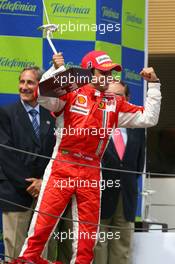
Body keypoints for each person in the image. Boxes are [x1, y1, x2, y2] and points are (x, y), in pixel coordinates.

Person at [13, 50, 161, 264]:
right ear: (89, 72)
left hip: (92, 169)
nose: (109, 76)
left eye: (111, 72)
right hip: (63, 164)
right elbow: (43, 97)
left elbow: (149, 118)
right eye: (104, 72)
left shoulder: (115, 103)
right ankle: (28, 259)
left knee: (88, 231)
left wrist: (154, 84)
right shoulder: (70, 92)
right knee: (44, 220)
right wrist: (57, 71)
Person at [0, 66, 56, 261]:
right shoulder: (5, 113)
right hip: (15, 193)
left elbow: (55, 153)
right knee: (14, 252)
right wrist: (29, 184)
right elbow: (5, 154)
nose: (24, 87)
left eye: (30, 82)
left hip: (44, 194)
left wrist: (43, 182)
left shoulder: (52, 115)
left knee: (41, 252)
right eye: (22, 82)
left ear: (40, 86)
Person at [93, 82, 145, 264]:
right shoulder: (94, 122)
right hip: (99, 196)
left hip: (126, 197)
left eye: (118, 96)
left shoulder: (137, 127)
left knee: (122, 246)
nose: (113, 100)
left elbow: (138, 165)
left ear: (127, 99)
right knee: (97, 246)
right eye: (109, 96)